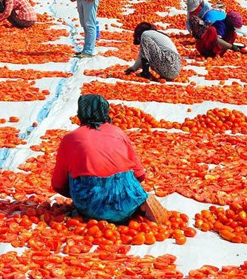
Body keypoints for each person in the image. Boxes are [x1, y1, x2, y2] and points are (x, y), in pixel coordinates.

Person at [51, 95, 167, 224]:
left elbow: (58, 184)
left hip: (91, 203)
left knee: (74, 173)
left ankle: (90, 209)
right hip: (127, 198)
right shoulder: (118, 132)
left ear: (81, 114)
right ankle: (138, 204)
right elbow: (140, 175)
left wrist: (75, 194)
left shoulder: (70, 138)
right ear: (105, 112)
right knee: (126, 179)